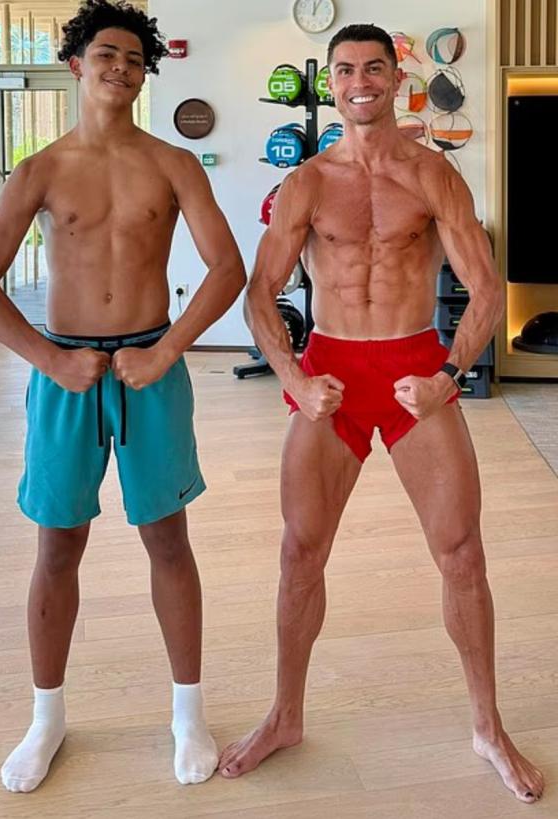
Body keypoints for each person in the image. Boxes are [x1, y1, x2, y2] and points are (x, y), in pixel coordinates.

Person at [218, 23, 544, 804]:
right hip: (331, 370)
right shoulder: (305, 184)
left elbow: (486, 287)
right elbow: (260, 293)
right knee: (300, 552)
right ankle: (286, 715)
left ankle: (488, 725)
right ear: (330, 83)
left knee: (462, 553)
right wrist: (295, 378)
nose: (359, 82)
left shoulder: (433, 176)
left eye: (373, 68)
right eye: (345, 70)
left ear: (398, 80)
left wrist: (448, 375)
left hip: (412, 368)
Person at [0, 0, 245, 792]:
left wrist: (168, 350)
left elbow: (227, 269)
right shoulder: (40, 170)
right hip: (67, 373)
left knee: (168, 539)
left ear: (145, 75)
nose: (121, 67)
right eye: (107, 54)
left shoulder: (174, 164)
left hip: (151, 368)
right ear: (76, 64)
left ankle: (188, 713)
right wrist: (50, 359)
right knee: (57, 545)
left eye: (135, 59)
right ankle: (45, 718)